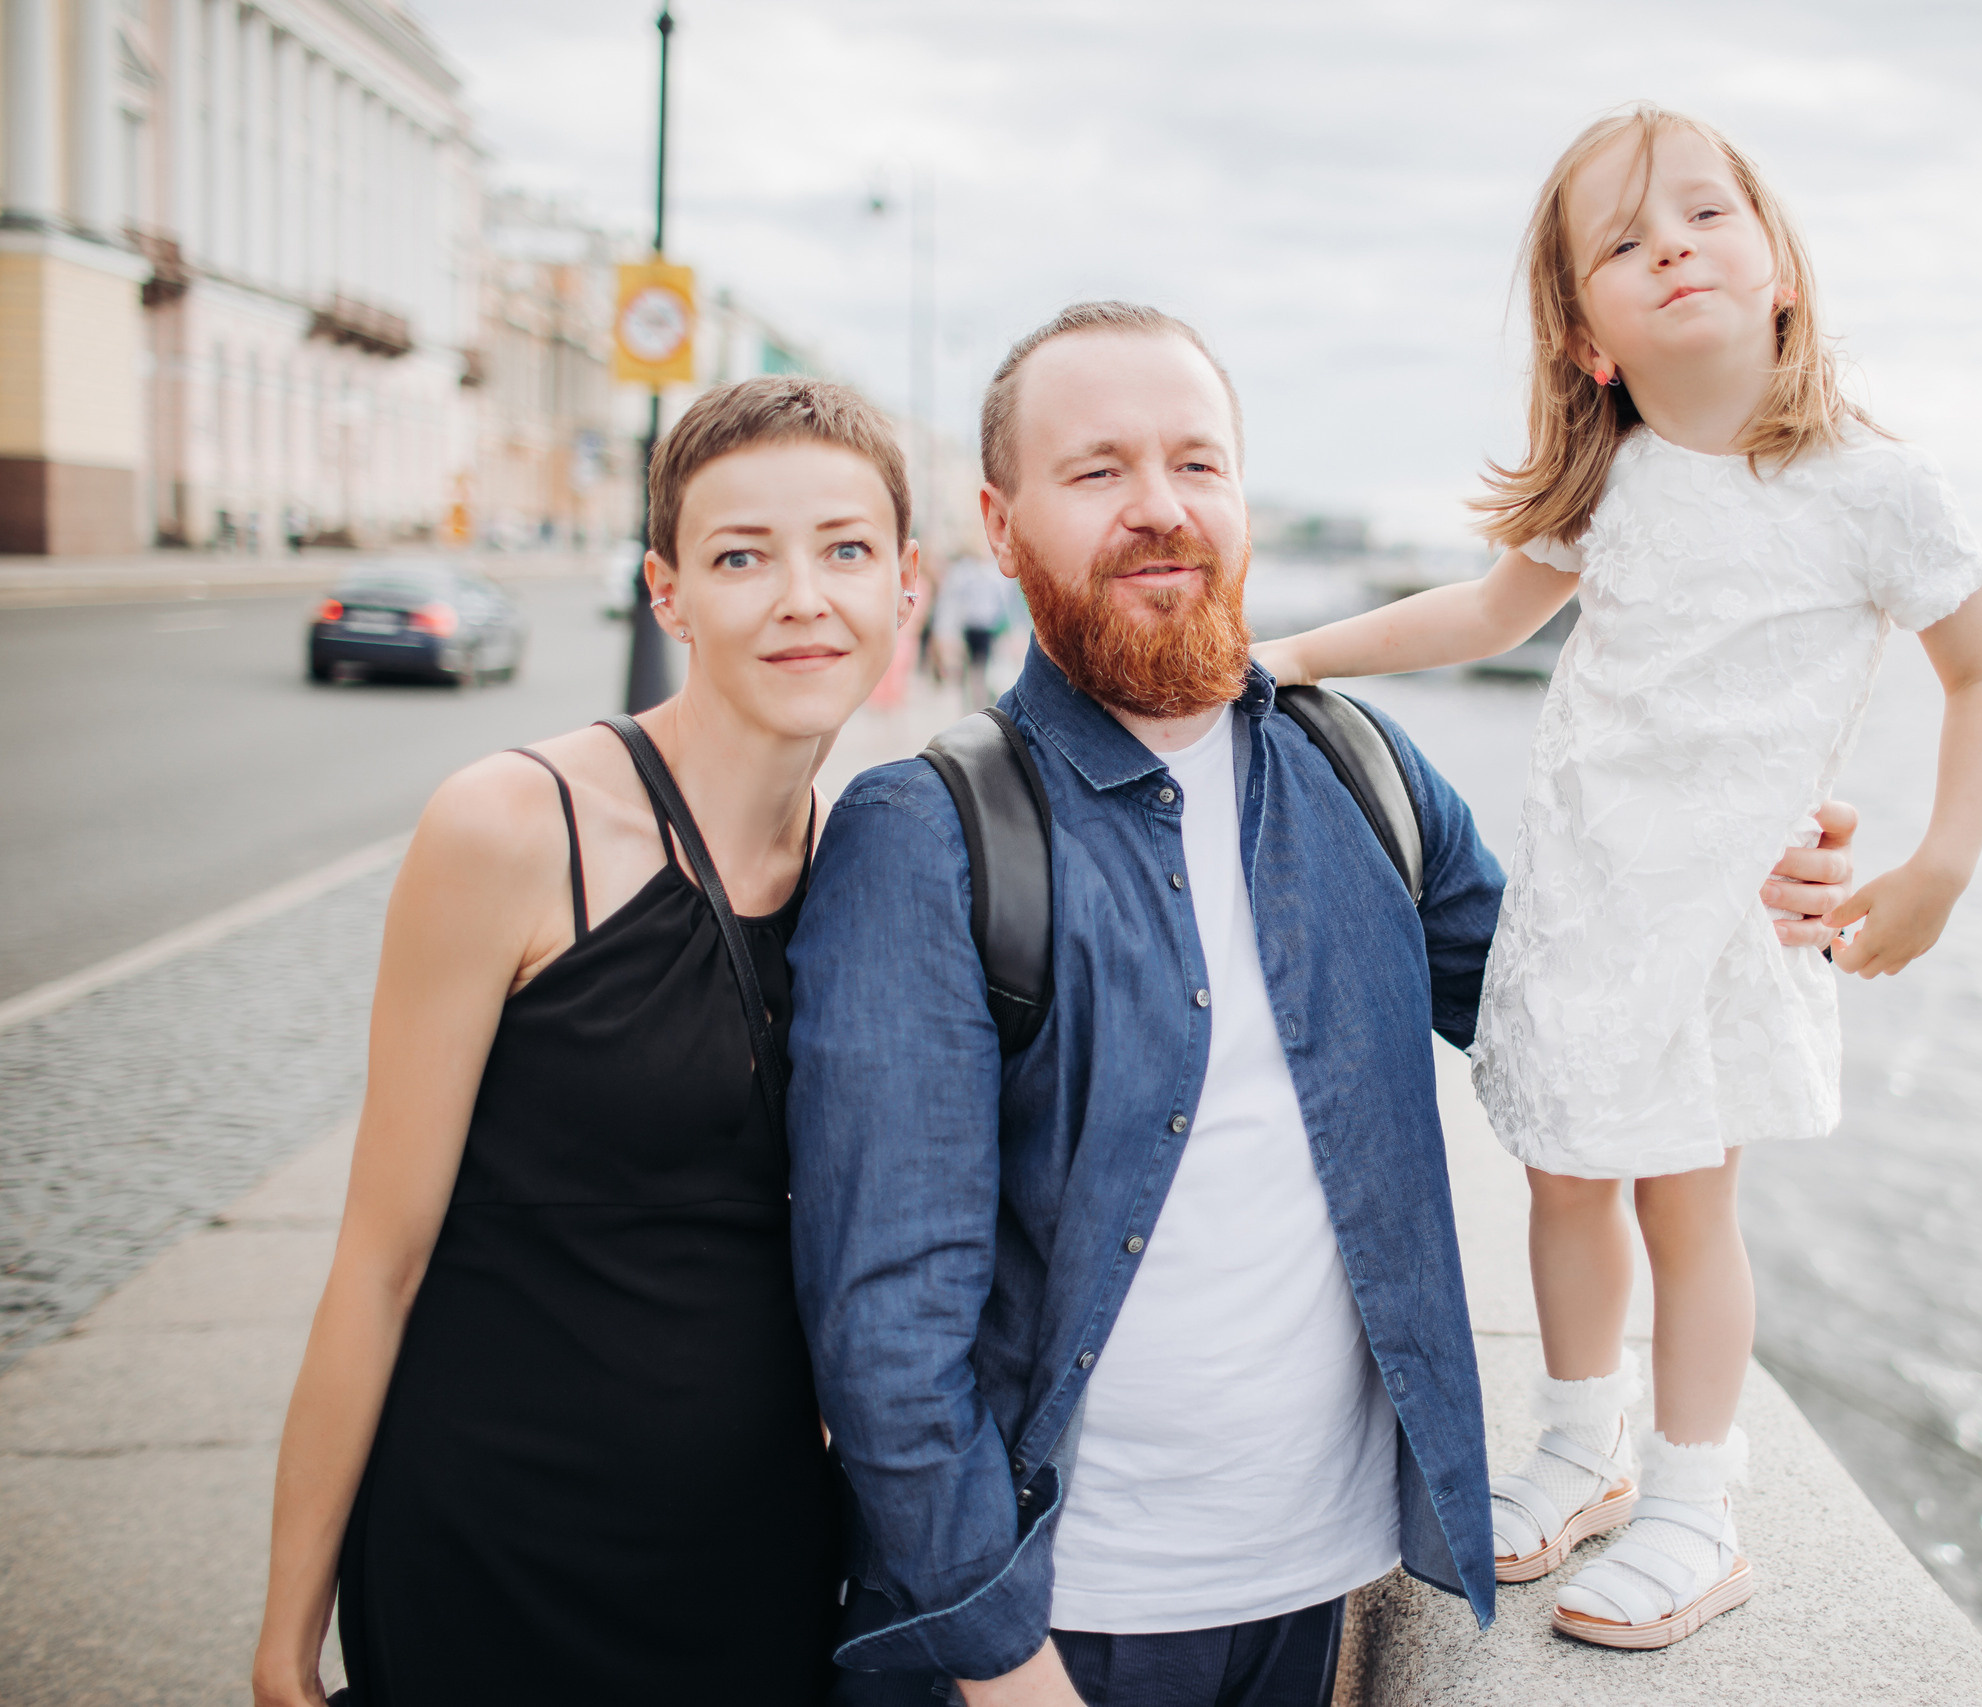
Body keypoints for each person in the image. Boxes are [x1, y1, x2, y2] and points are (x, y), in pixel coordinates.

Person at [786, 301, 1858, 1707]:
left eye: (1198, 463)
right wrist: (996, 1652)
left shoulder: (1356, 766)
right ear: (1003, 520)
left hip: (1315, 1581)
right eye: (1098, 470)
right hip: (1058, 1620)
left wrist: (1764, 893)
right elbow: (883, 1317)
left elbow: (1581, 1011)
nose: (1161, 507)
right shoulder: (926, 832)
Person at [1253, 106, 1982, 1650]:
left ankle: (1693, 1500)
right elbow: (1480, 613)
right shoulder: (1611, 484)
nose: (1670, 242)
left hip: (1723, 919)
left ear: (1781, 267)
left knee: (1689, 1198)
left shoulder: (1874, 484)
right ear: (1585, 333)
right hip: (1586, 903)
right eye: (1622, 239)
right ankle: (1579, 1442)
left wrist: (1940, 862)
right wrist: (1288, 656)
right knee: (1562, 1177)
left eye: (1704, 214)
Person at [250, 377, 922, 1707]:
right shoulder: (512, 826)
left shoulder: (871, 857)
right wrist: (286, 1632)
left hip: (756, 1559)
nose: (802, 595)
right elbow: (379, 1260)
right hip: (497, 1544)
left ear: (909, 583)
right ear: (667, 594)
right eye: (742, 555)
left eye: (845, 549)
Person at [936, 551, 1012, 709]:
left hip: (988, 629)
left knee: (985, 671)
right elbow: (953, 603)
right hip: (968, 627)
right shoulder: (963, 571)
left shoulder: (997, 573)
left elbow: (1004, 603)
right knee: (968, 672)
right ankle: (972, 706)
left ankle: (982, 705)